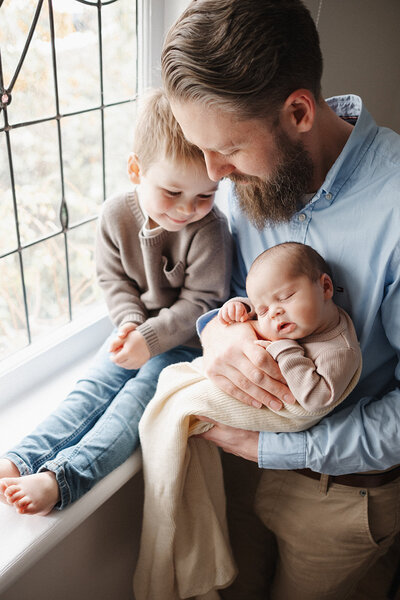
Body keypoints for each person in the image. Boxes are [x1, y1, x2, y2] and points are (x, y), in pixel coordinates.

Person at [161, 0, 400, 598]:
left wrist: (278, 445)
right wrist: (220, 331)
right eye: (201, 148)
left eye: (229, 151)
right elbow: (230, 298)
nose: (213, 175)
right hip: (241, 473)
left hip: (344, 498)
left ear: (297, 111)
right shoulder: (247, 185)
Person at [0, 87, 232, 516]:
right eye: (173, 192)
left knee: (131, 410)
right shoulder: (114, 215)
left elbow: (205, 303)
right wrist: (129, 323)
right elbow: (113, 277)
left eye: (205, 195)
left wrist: (151, 336)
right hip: (133, 334)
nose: (187, 209)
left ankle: (62, 478)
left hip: (182, 346)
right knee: (89, 392)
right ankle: (20, 458)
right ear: (135, 170)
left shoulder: (210, 230)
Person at [133, 242, 362, 600]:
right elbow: (249, 323)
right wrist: (235, 312)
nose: (274, 315)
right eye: (264, 308)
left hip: (337, 474)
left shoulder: (338, 349)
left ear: (326, 288)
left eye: (285, 297)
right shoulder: (302, 321)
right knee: (170, 383)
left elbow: (315, 398)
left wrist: (282, 347)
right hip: (257, 471)